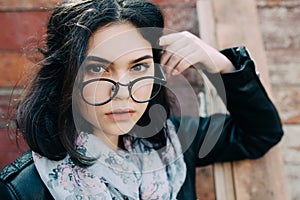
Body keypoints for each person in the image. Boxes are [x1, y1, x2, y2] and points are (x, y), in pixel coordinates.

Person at [0, 0, 283, 199]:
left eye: (138, 67)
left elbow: (260, 133)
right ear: (67, 77)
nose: (123, 91)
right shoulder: (23, 189)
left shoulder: (173, 143)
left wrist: (219, 63)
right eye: (98, 68)